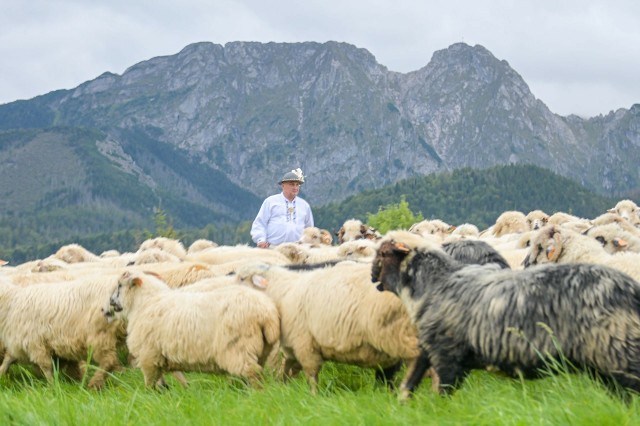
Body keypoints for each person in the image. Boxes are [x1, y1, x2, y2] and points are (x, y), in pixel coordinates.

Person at [251, 168, 314, 248]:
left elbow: (309, 229)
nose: (295, 187)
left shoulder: (304, 205)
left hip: (298, 250)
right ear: (283, 186)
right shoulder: (270, 202)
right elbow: (260, 223)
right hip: (273, 248)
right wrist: (260, 240)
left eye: (297, 184)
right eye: (292, 184)